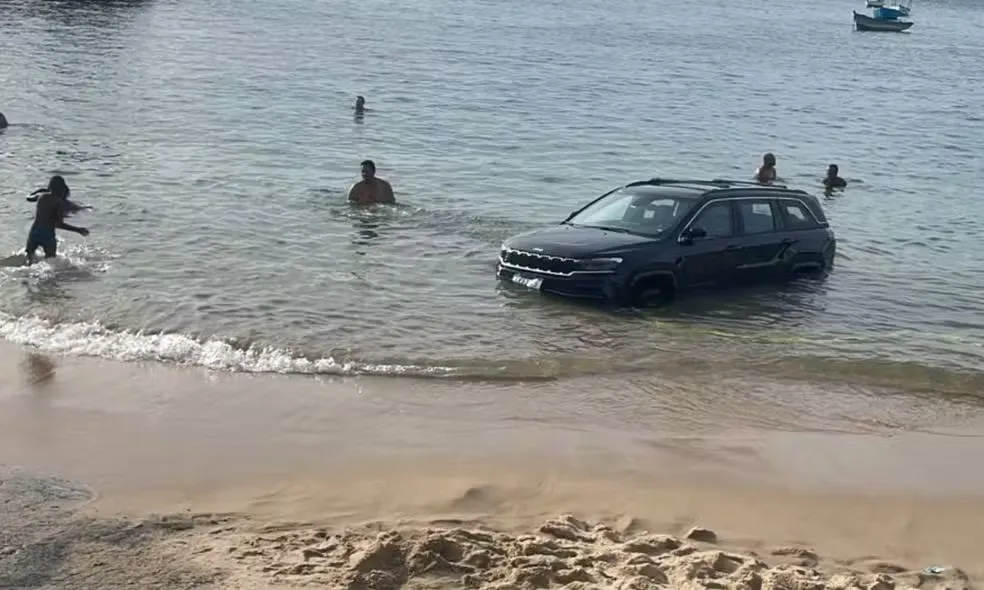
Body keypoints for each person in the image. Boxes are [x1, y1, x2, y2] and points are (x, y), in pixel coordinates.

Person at [24, 175, 90, 265]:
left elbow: (29, 197)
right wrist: (78, 230)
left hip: (34, 232)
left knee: (29, 261)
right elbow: (58, 224)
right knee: (50, 264)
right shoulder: (59, 203)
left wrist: (40, 190)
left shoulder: (41, 196)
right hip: (47, 235)